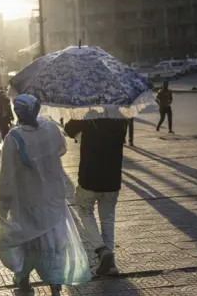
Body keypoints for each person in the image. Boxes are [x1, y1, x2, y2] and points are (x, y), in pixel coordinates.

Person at [0, 95, 91, 295]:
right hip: (53, 200)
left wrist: (4, 209)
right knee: (53, 245)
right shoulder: (50, 129)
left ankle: (25, 284)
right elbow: (61, 149)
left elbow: (6, 178)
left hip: (27, 203)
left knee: (28, 242)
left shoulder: (13, 138)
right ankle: (55, 287)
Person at [64, 117, 126, 277]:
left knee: (85, 212)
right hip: (112, 179)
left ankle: (101, 249)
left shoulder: (87, 114)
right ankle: (110, 265)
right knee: (108, 219)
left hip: (89, 178)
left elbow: (68, 128)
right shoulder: (119, 117)